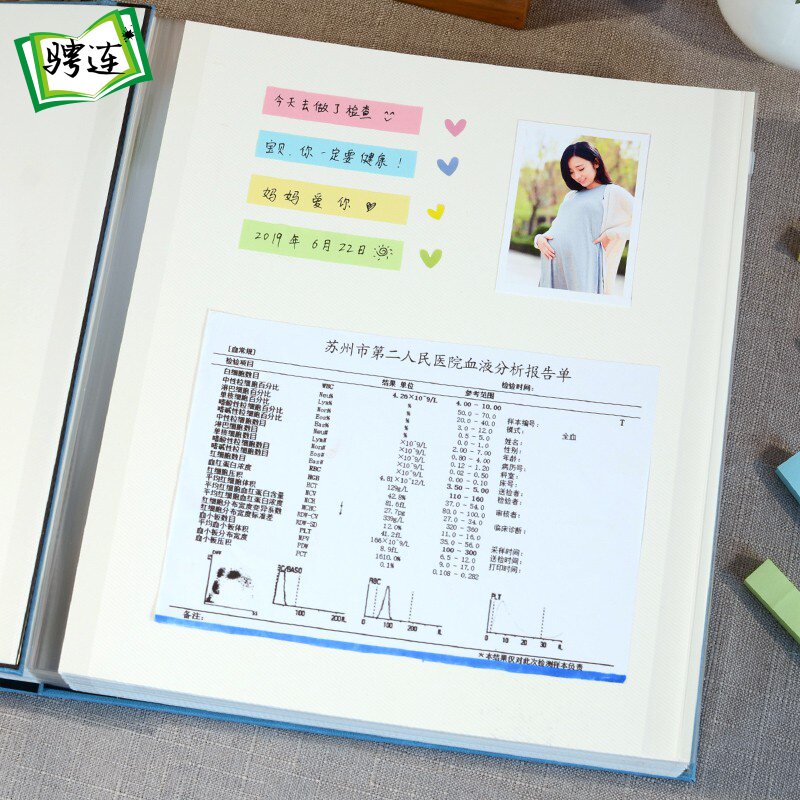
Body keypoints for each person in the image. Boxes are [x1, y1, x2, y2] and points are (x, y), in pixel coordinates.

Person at [533, 141, 633, 295]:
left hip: (584, 273)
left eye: (580, 169)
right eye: (571, 172)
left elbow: (646, 223)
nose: (577, 176)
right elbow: (556, 229)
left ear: (596, 163)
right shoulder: (571, 196)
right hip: (554, 269)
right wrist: (539, 239)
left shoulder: (613, 193)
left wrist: (611, 234)